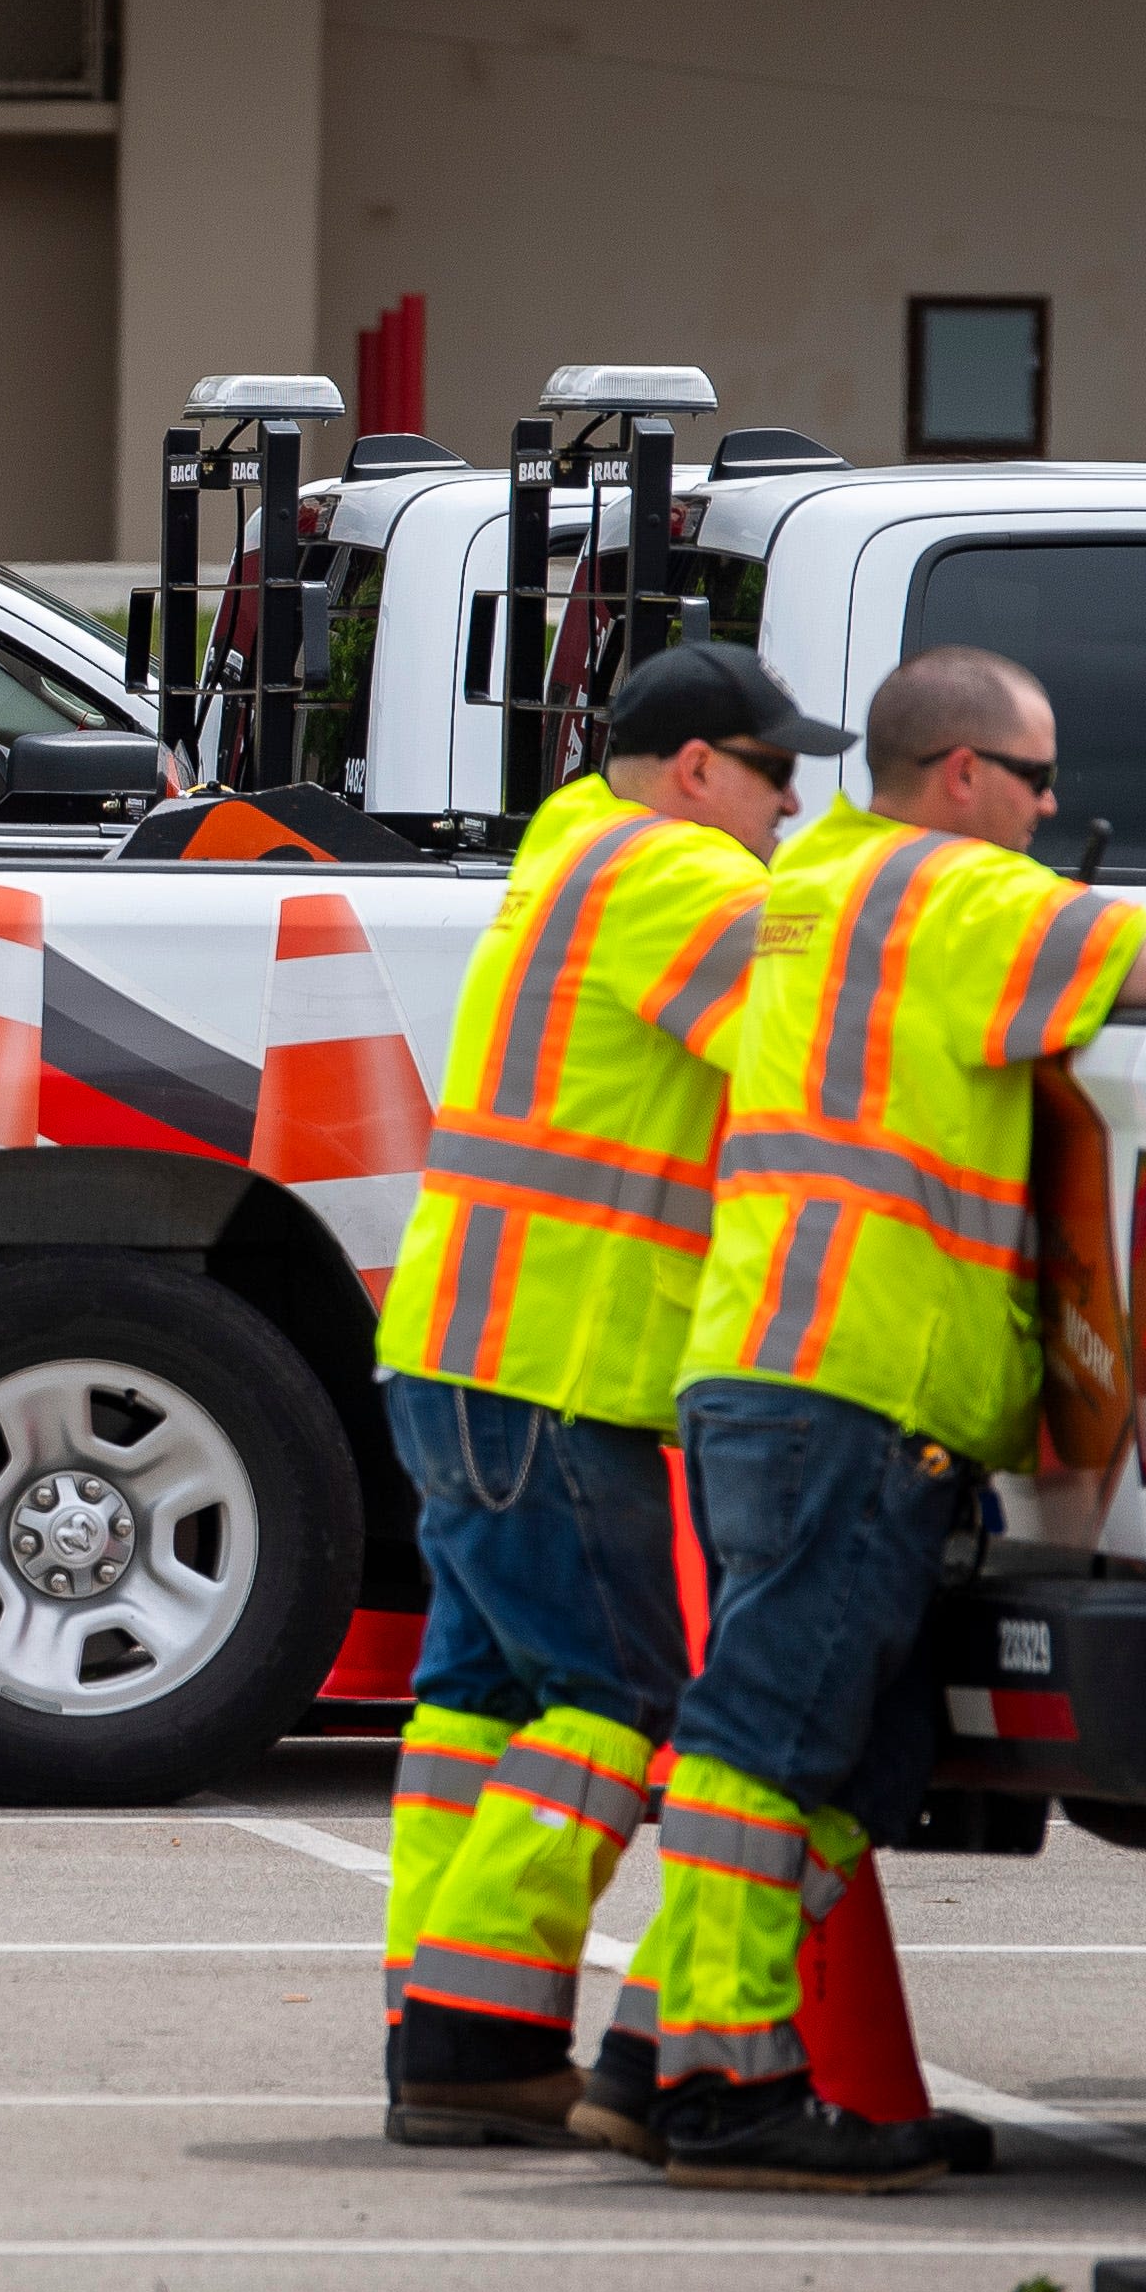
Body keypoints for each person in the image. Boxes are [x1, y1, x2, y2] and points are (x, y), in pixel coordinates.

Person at [645, 646, 1146, 2191]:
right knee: (771, 1733)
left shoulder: (818, 879)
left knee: (837, 1738)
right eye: (1039, 781)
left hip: (774, 1363)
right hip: (854, 1377)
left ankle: (656, 2042)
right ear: (964, 776)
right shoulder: (954, 895)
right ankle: (715, 2083)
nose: (1055, 810)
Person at [364, 642, 827, 2156]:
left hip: (464, 1352)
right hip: (560, 1367)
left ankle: (438, 2035)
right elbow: (815, 1053)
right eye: (775, 777)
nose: (786, 810)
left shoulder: (569, 851)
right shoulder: (671, 880)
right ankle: (471, 2032)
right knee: (619, 1705)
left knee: (474, 1708)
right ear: (699, 767)